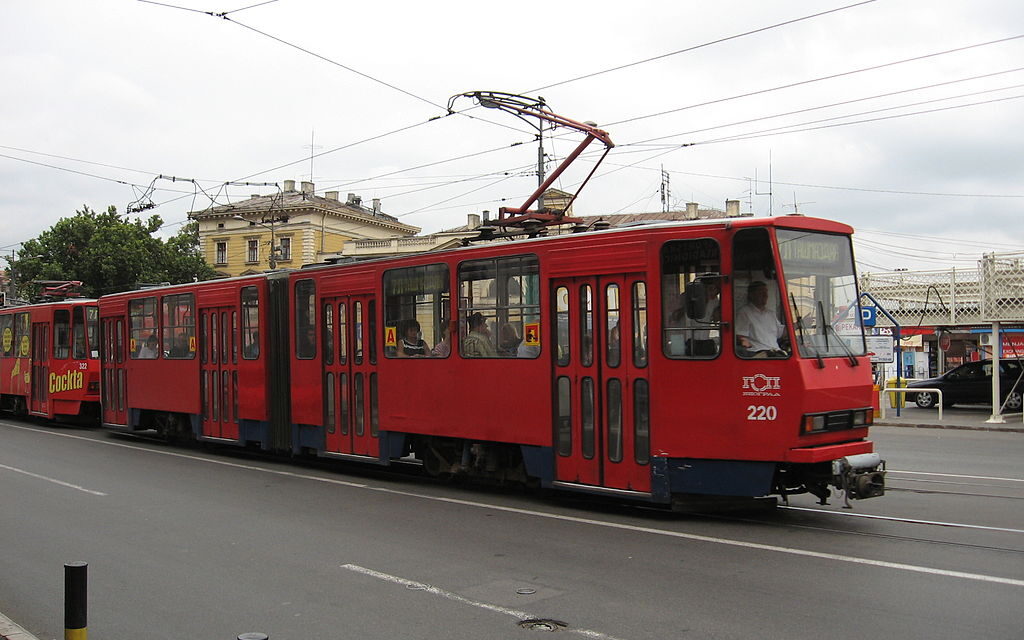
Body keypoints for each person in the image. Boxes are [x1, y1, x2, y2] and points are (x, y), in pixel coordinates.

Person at [735, 281, 786, 356]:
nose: (765, 295)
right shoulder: (745, 312)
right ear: (752, 295)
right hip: (758, 353)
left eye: (766, 292)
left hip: (775, 352)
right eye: (761, 292)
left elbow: (780, 333)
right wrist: (743, 341)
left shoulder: (771, 314)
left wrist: (797, 325)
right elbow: (739, 335)